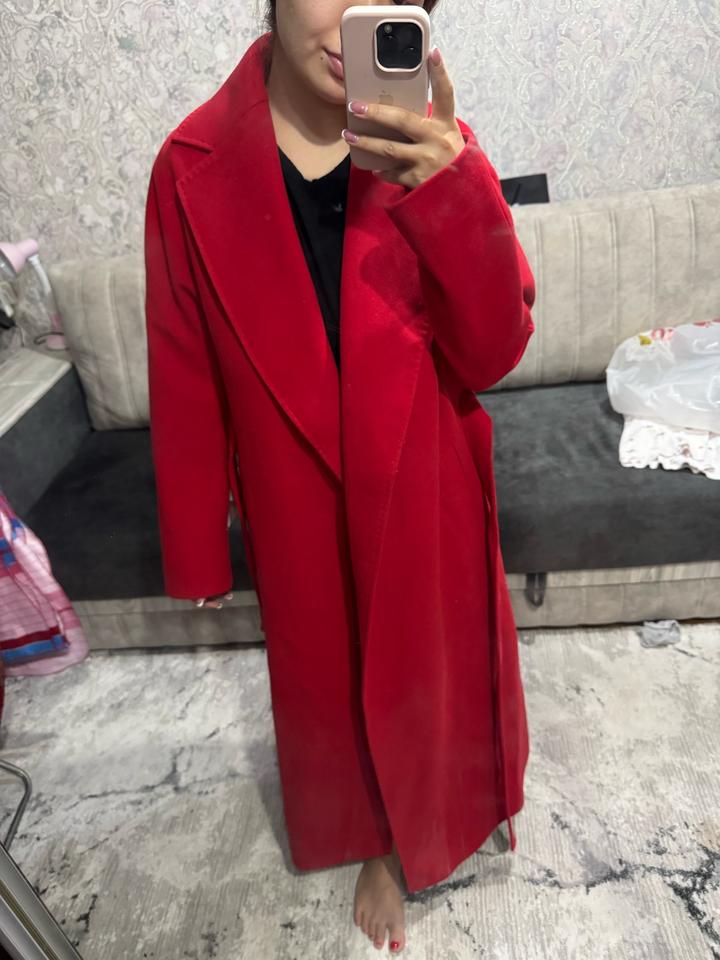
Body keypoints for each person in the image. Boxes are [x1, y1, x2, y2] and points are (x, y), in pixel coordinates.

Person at [145, 1, 536, 954]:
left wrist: (456, 192)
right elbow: (184, 362)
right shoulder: (191, 165)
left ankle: (430, 824)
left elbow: (493, 352)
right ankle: (371, 833)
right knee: (329, 677)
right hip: (294, 483)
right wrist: (197, 545)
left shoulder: (430, 143)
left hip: (421, 469)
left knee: (432, 667)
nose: (352, 12)